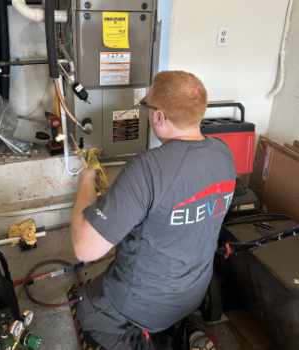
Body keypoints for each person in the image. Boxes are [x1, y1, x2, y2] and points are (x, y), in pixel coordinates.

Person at [71, 71, 236, 349]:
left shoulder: (146, 168)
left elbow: (85, 250)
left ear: (159, 117)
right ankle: (189, 331)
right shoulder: (223, 153)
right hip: (194, 291)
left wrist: (86, 183)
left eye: (148, 108)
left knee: (87, 308)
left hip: (142, 302)